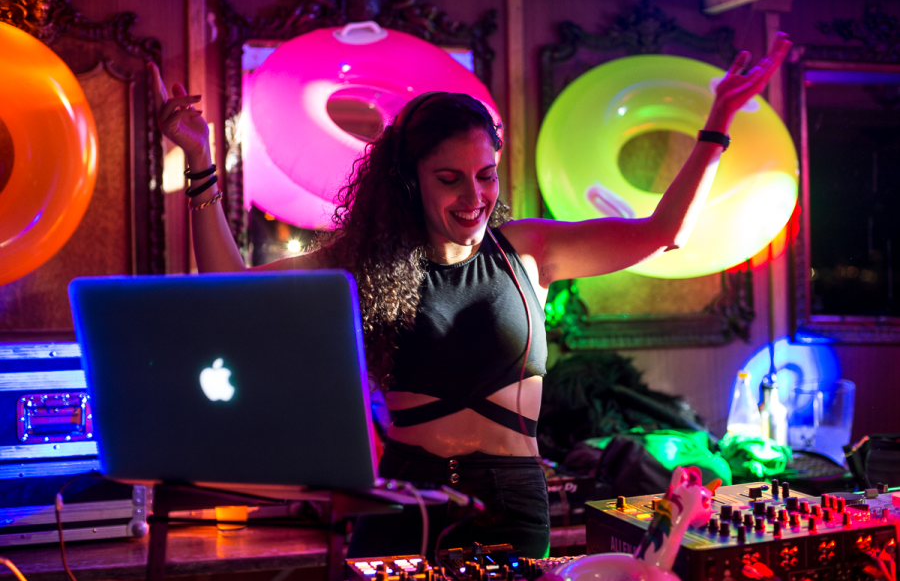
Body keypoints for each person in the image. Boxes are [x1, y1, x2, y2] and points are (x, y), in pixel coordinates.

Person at [149, 31, 792, 558]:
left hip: (510, 504)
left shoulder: (529, 250)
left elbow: (664, 232)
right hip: (404, 502)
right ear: (410, 183)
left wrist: (717, 122)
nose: (474, 196)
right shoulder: (361, 264)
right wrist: (200, 162)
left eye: (485, 176)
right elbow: (234, 292)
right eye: (450, 179)